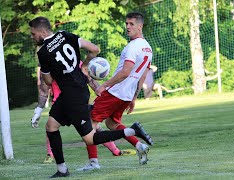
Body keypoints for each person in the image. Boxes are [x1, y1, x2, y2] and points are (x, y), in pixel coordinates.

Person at [29, 16, 152, 178]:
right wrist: (85, 64)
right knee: (52, 126)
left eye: (33, 34)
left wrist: (103, 85)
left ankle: (126, 135)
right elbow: (94, 49)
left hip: (84, 94)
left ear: (42, 31)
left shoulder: (43, 52)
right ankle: (62, 169)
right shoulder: (65, 35)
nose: (32, 37)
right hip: (91, 91)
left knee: (90, 136)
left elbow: (48, 81)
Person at [78, 12, 154, 171]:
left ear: (140, 26)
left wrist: (103, 85)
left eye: (131, 24)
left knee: (90, 124)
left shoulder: (133, 46)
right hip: (126, 95)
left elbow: (126, 72)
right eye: (126, 23)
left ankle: (93, 163)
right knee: (112, 124)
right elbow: (143, 74)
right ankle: (139, 145)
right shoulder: (148, 48)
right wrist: (134, 97)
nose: (127, 27)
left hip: (115, 92)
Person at [31, 63, 136, 164]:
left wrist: (104, 97)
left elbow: (90, 81)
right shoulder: (53, 64)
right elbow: (45, 89)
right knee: (92, 129)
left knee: (92, 128)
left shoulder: (75, 62)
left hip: (72, 104)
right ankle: (115, 150)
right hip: (66, 104)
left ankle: (114, 151)